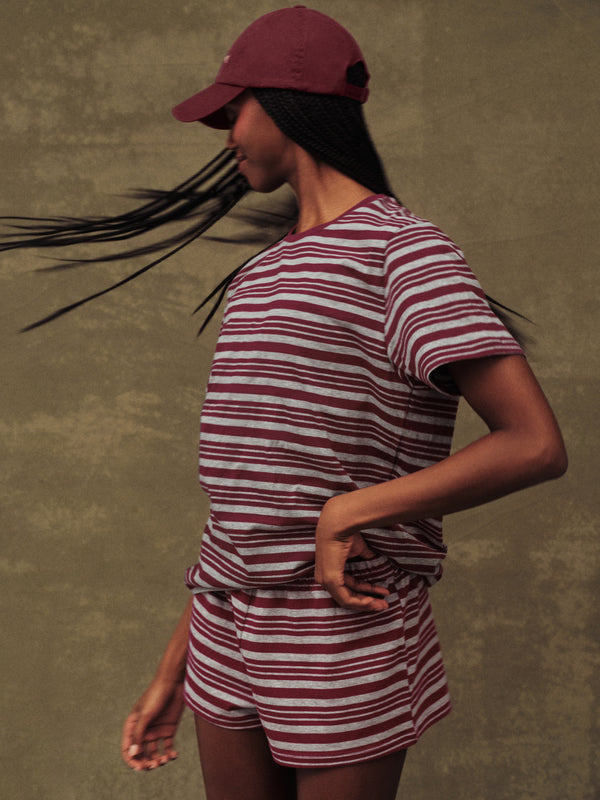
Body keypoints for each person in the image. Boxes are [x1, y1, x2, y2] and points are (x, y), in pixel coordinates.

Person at [6, 6, 567, 800]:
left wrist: (350, 512)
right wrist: (177, 667)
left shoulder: (403, 252)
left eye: (234, 109)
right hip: (225, 627)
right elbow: (246, 503)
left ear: (284, 102)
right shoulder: (263, 274)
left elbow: (535, 443)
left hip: (343, 620)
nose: (226, 132)